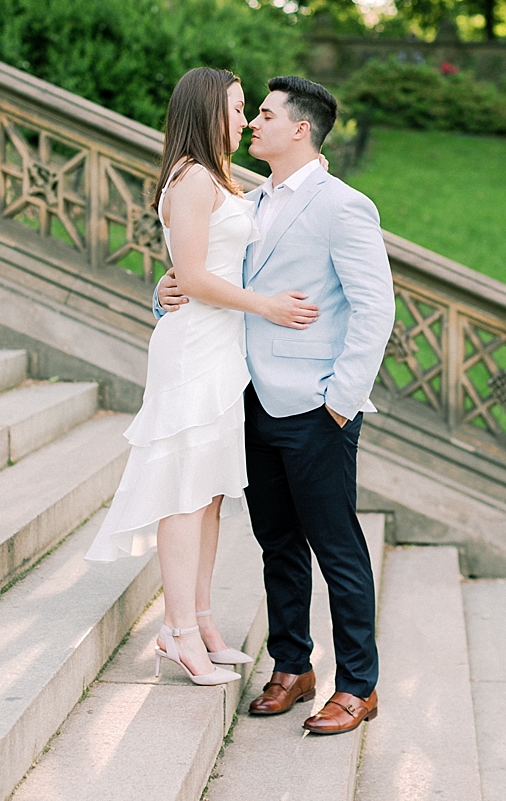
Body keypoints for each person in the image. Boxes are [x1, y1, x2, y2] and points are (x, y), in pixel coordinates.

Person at [157, 76, 394, 735]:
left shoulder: (344, 205)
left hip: (317, 408)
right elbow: (205, 275)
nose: (251, 125)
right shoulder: (247, 198)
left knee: (336, 548)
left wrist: (341, 402)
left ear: (300, 130)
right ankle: (292, 666)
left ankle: (359, 685)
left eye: (263, 115)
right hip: (248, 401)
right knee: (277, 544)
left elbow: (377, 308)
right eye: (250, 113)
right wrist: (165, 292)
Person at [86, 68, 320, 689]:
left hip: (222, 349)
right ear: (206, 109)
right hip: (194, 350)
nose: (245, 120)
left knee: (210, 493)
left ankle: (203, 620)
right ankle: (177, 631)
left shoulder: (220, 177)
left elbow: (194, 269)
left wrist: (172, 290)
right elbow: (190, 276)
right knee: (186, 493)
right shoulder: (190, 177)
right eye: (239, 108)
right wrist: (264, 305)